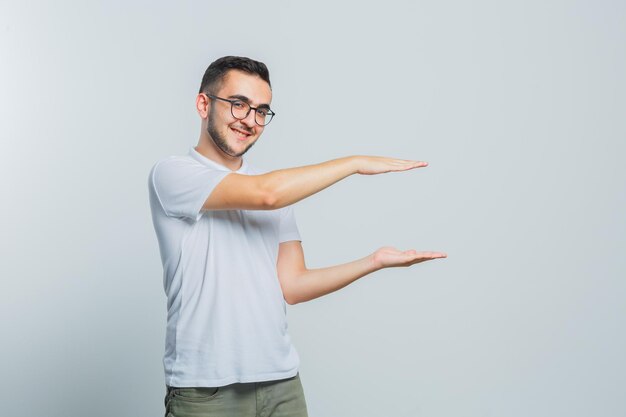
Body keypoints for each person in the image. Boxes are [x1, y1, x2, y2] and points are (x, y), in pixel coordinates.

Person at [148, 56, 447, 417]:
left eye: (261, 110)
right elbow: (266, 194)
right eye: (238, 104)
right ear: (203, 104)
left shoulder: (280, 191)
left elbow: (293, 285)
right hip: (205, 391)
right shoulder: (174, 174)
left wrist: (375, 262)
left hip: (281, 383)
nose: (250, 120)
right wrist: (353, 163)